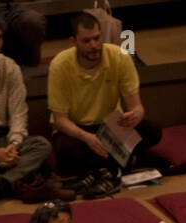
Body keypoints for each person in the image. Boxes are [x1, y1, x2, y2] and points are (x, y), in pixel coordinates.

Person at [47, 11, 161, 199]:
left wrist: (134, 115)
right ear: (73, 41)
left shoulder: (120, 56)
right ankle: (121, 165)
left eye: (97, 38)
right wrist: (87, 137)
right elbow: (60, 120)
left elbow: (137, 107)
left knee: (153, 130)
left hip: (111, 126)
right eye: (86, 41)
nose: (94, 45)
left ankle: (101, 170)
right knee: (65, 150)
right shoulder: (60, 65)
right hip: (78, 130)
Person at [0, 13, 58, 208]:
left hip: (4, 139)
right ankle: (22, 175)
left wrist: (12, 146)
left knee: (41, 145)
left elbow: (18, 115)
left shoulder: (10, 67)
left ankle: (1, 186)